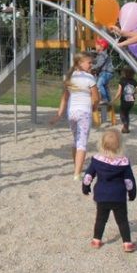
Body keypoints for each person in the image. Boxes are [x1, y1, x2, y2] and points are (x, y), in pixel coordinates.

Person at [82, 129, 137, 253]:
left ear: (101, 144)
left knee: (101, 219)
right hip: (118, 197)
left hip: (102, 196)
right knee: (122, 220)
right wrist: (132, 193)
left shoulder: (97, 160)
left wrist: (85, 187)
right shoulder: (123, 162)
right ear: (121, 145)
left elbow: (88, 176)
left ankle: (96, 240)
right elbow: (129, 181)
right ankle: (127, 243)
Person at [49, 52, 100, 181]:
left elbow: (64, 98)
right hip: (84, 113)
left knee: (76, 140)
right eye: (89, 62)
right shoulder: (89, 78)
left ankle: (76, 166)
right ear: (80, 63)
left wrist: (59, 114)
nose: (91, 65)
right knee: (82, 142)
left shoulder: (70, 77)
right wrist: (94, 108)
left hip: (71, 113)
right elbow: (96, 98)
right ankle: (77, 174)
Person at [112, 66, 137, 134]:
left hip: (124, 101)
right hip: (131, 102)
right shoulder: (134, 81)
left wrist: (114, 99)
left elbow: (119, 92)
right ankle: (126, 128)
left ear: (124, 73)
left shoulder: (122, 80)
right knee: (126, 114)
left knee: (122, 114)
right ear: (133, 74)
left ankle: (125, 125)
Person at [92, 38, 114, 106]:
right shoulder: (101, 54)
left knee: (99, 85)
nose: (95, 46)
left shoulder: (102, 55)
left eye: (96, 45)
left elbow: (99, 64)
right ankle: (108, 100)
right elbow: (97, 61)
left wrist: (92, 67)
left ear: (101, 46)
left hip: (106, 72)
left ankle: (104, 99)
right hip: (107, 73)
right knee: (104, 86)